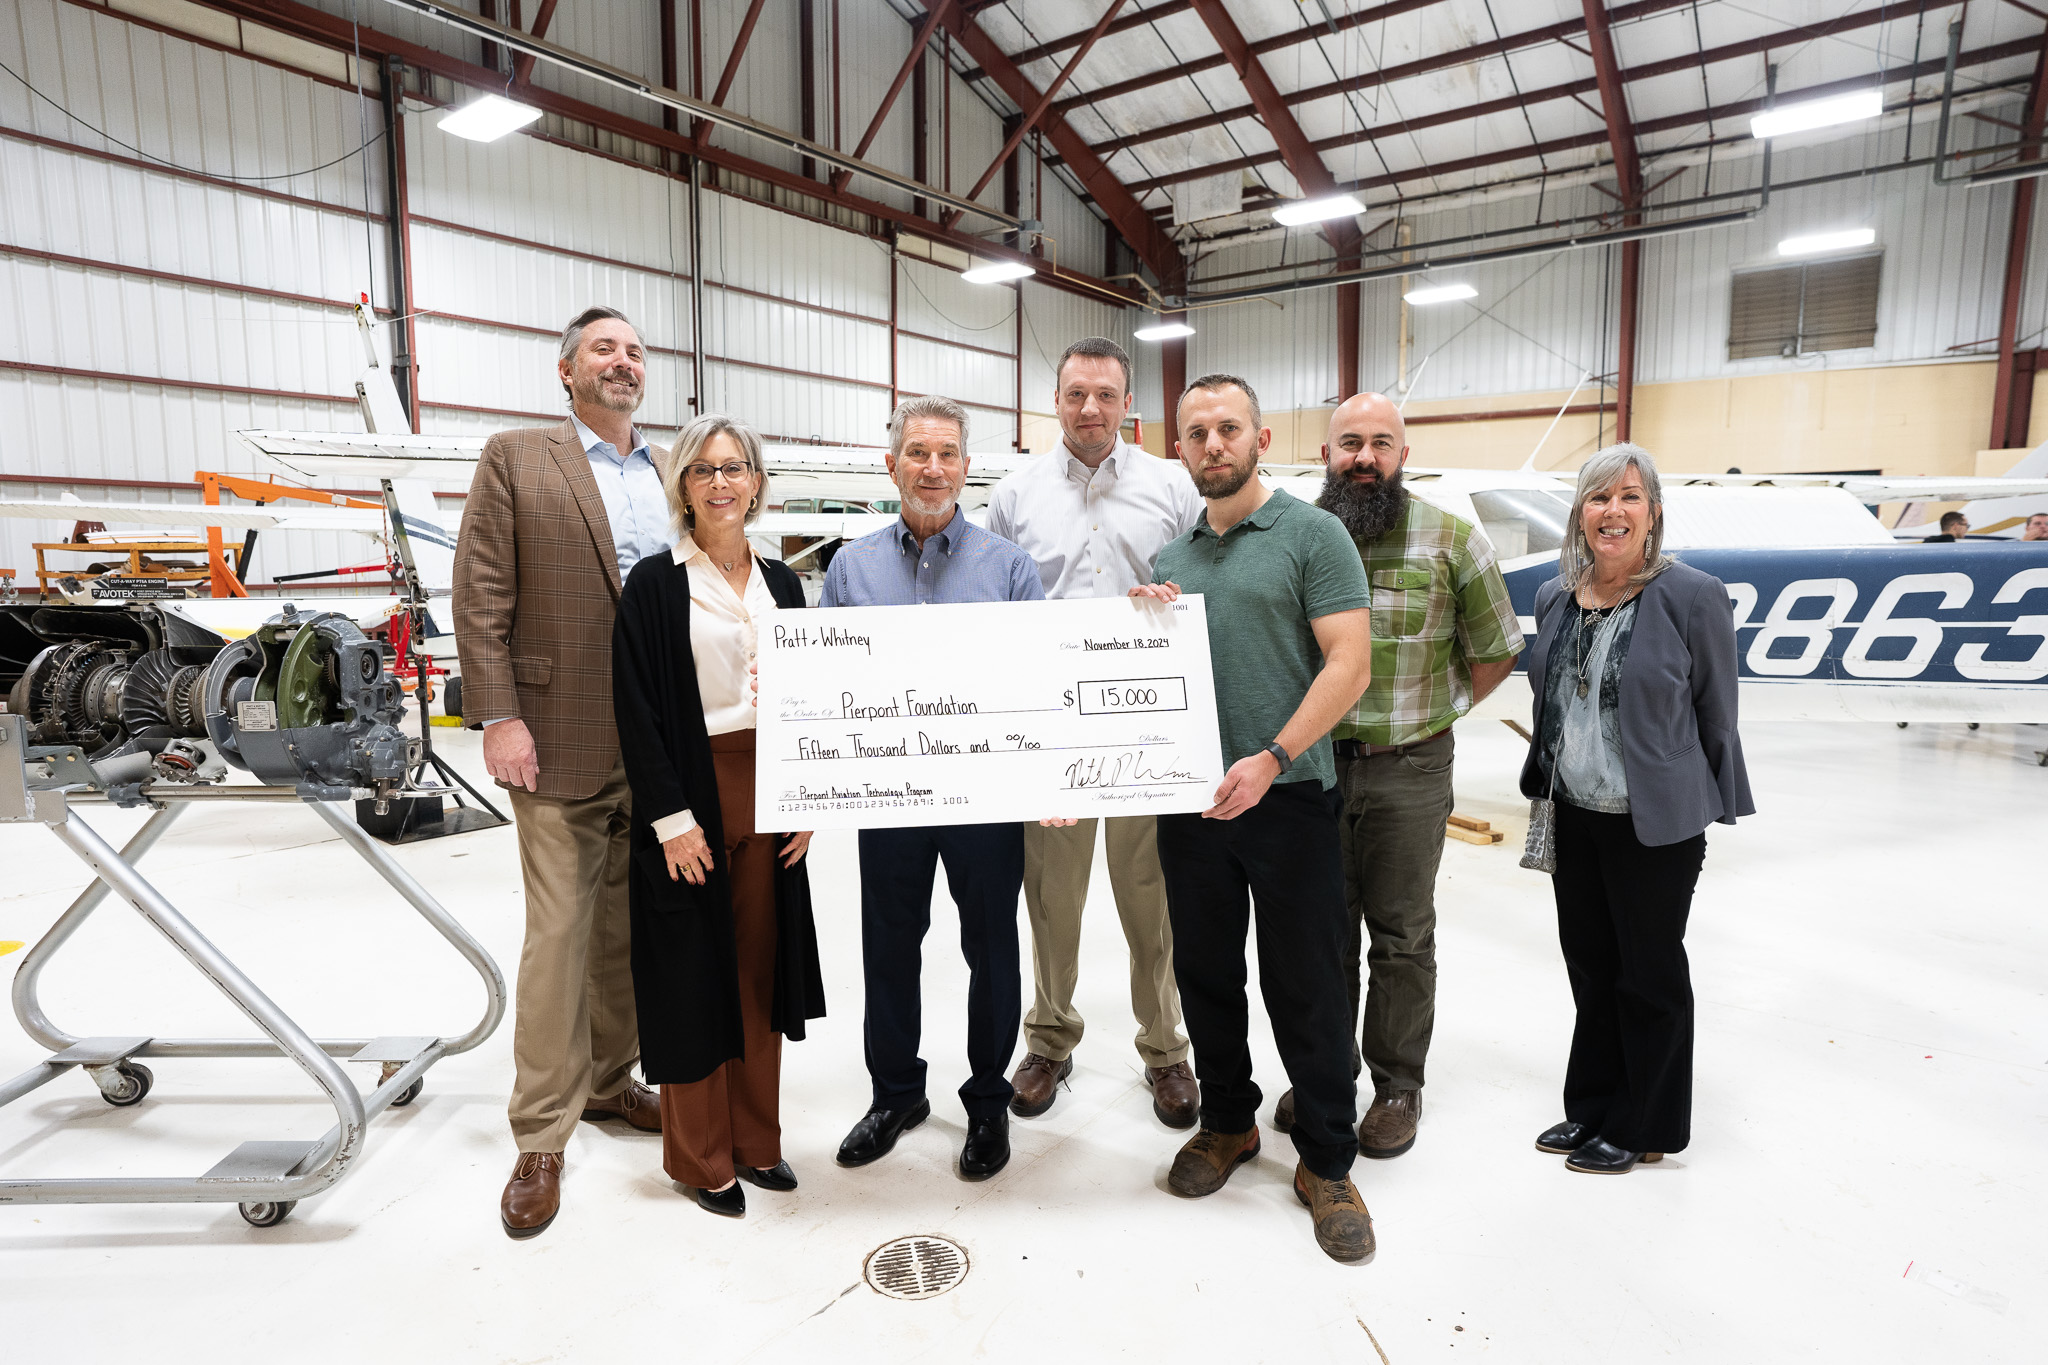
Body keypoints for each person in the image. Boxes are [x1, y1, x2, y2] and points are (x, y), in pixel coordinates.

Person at [1131, 374, 1377, 1264]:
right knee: (1203, 971)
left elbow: (1350, 662)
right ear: (1180, 449)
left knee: (1306, 980)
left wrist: (1271, 758)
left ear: (1262, 438)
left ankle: (1326, 1156)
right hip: (1193, 807)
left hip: (1291, 799)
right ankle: (1230, 1121)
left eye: (1227, 428)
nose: (1212, 444)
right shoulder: (1170, 562)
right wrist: (1139, 629)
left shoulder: (1316, 536)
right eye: (1195, 432)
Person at [455, 305, 672, 1239]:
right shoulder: (519, 456)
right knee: (559, 932)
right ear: (566, 370)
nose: (621, 362)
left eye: (633, 351)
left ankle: (610, 1080)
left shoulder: (668, 470)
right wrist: (499, 715)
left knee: (626, 927)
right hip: (555, 731)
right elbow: (481, 591)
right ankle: (541, 1130)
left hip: (656, 736)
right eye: (603, 349)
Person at [1266, 393, 1524, 1159]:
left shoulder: (1451, 541)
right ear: (1325, 455)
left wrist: (1437, 711)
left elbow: (1497, 648)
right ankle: (1329, 1070)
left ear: (1404, 455)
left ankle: (1398, 1083)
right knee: (1321, 932)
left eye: (1382, 442)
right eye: (1350, 442)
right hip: (1312, 770)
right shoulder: (1292, 540)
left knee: (1403, 933)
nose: (1365, 457)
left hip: (1409, 769)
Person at [822, 396, 1045, 1181]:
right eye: (917, 452)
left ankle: (987, 1101)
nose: (932, 467)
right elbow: (825, 681)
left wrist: (1044, 773)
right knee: (887, 946)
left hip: (985, 801)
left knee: (992, 949)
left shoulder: (1009, 567)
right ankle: (894, 1094)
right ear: (892, 466)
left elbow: (1038, 683)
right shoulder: (851, 567)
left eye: (947, 452)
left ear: (965, 467)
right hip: (886, 799)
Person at [983, 337, 1204, 1128]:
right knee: (1052, 894)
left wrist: (1176, 592)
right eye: (1076, 393)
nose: (1090, 409)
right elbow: (998, 604)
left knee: (1153, 895)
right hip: (1053, 729)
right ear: (1056, 399)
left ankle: (1166, 1048)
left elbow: (1202, 581)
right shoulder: (1013, 495)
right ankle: (1048, 1038)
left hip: (1147, 726)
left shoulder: (1173, 487)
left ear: (1126, 403)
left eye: (1105, 395)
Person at [610, 413, 825, 1219]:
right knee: (692, 975)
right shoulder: (657, 586)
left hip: (772, 789)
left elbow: (812, 704)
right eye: (703, 470)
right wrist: (671, 818)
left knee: (759, 976)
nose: (721, 482)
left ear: (757, 482)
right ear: (682, 488)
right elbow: (636, 709)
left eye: (735, 468)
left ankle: (755, 1141)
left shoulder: (788, 586)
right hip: (692, 796)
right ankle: (700, 1158)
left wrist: (808, 797)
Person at [1519, 443, 1755, 1176]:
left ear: (1652, 511)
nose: (1612, 511)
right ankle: (1594, 1104)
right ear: (1580, 513)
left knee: (1647, 973)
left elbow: (1718, 708)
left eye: (1629, 496)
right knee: (1590, 965)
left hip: (1655, 821)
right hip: (1575, 811)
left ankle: (1648, 1123)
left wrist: (1720, 795)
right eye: (1598, 497)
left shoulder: (1692, 594)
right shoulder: (1556, 596)